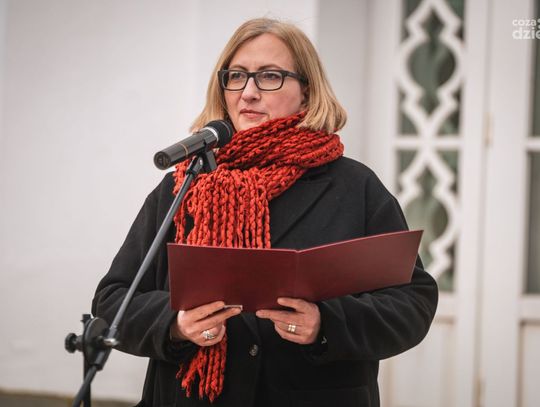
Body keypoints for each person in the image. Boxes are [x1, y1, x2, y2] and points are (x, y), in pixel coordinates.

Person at [92, 17, 438, 407]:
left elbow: (413, 302)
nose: (249, 92)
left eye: (270, 76)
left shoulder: (354, 187)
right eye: (236, 76)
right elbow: (112, 301)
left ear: (307, 92)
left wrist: (326, 323)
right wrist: (175, 324)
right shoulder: (184, 185)